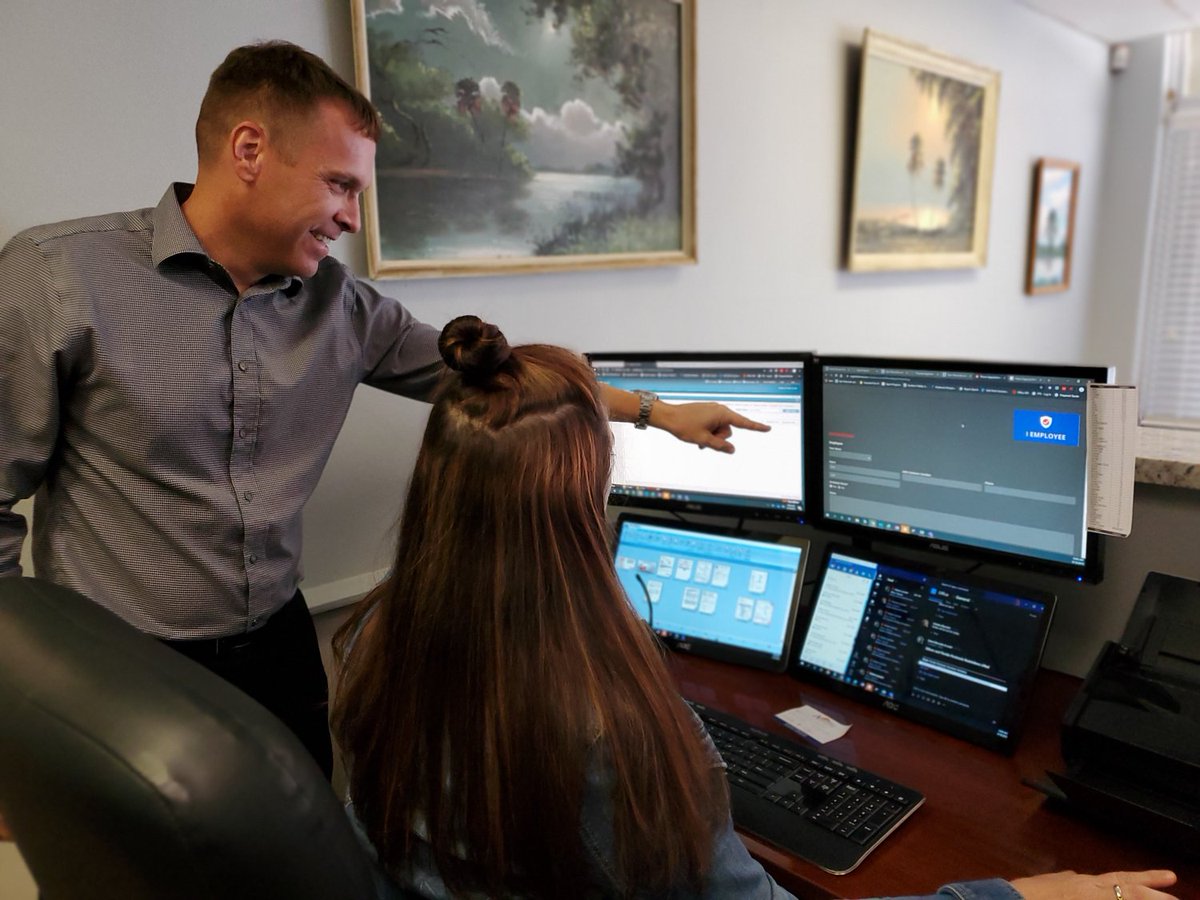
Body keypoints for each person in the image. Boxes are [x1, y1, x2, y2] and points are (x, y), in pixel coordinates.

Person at [0, 41, 765, 781]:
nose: (353, 220)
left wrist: (653, 412)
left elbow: (497, 378)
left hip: (278, 652)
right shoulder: (59, 276)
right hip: (115, 666)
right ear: (248, 151)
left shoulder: (344, 308)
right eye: (340, 185)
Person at [330, 316, 1179, 900]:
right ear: (583, 509)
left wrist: (651, 414)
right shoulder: (618, 734)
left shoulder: (370, 642)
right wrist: (1011, 895)